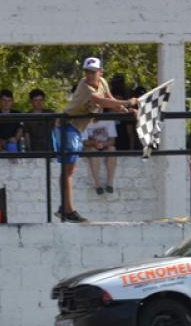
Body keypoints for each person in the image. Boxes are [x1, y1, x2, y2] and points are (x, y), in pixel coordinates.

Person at [58, 57, 137, 223]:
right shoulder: (84, 86)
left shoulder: (103, 82)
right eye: (87, 72)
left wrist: (124, 110)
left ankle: (64, 208)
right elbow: (101, 101)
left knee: (69, 170)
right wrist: (128, 102)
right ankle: (68, 210)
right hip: (68, 125)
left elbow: (110, 100)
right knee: (68, 170)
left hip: (77, 128)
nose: (90, 75)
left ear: (101, 72)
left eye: (93, 72)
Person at [83, 119, 118, 195]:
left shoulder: (109, 120)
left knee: (112, 149)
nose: (98, 110)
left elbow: (112, 140)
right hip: (91, 146)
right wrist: (94, 143)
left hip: (105, 145)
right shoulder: (85, 121)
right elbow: (85, 142)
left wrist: (103, 144)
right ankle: (97, 184)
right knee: (93, 151)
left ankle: (110, 183)